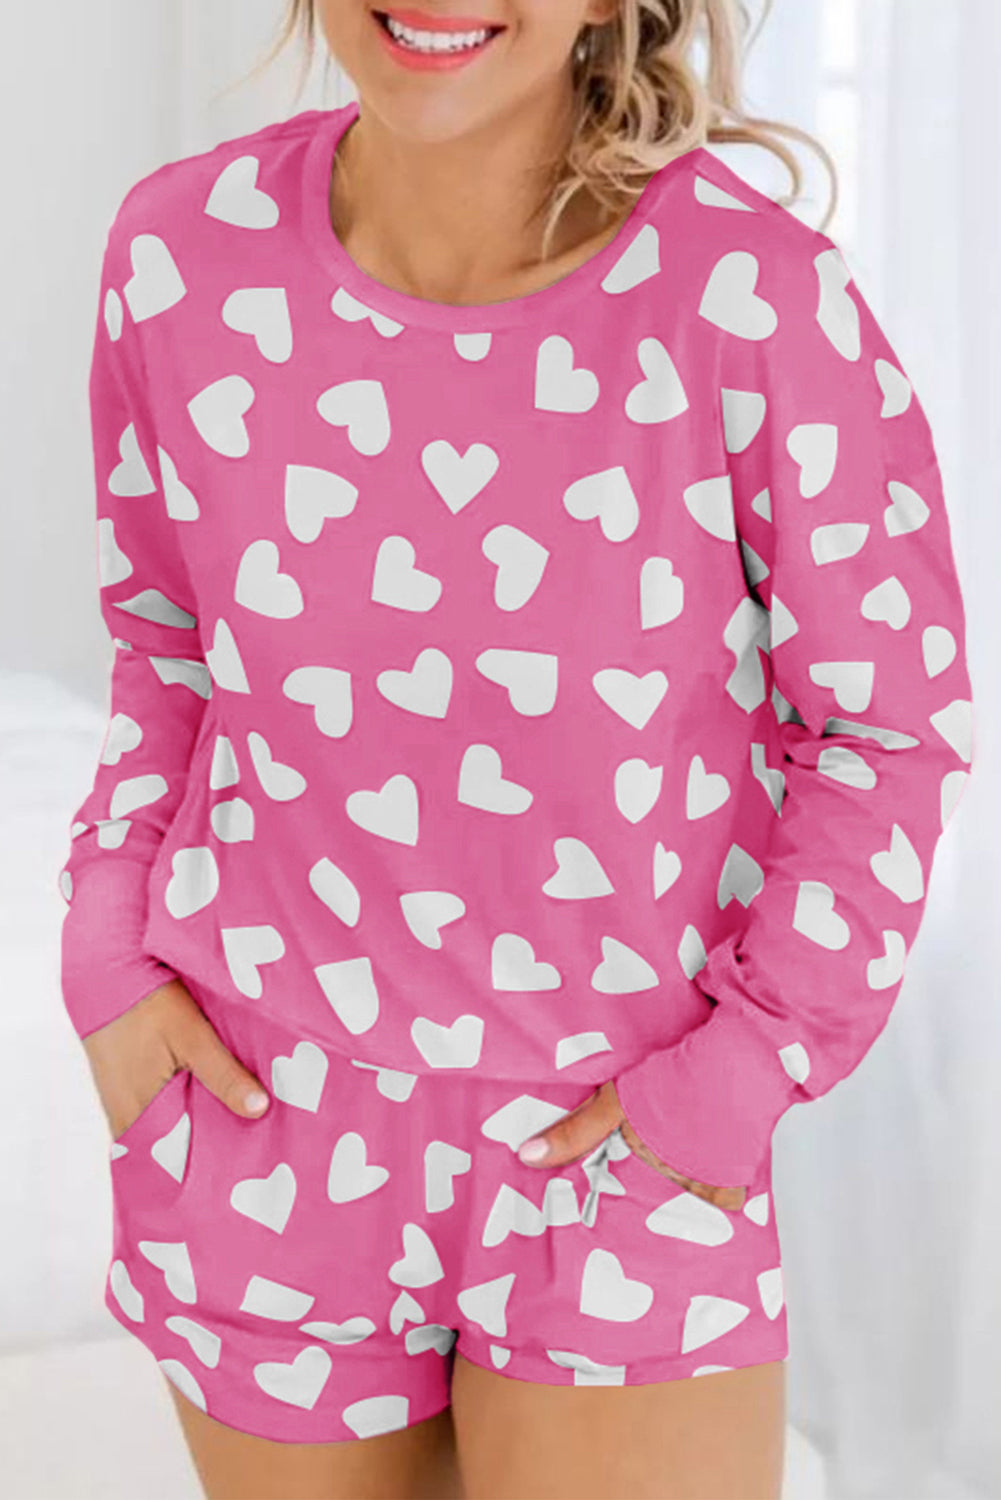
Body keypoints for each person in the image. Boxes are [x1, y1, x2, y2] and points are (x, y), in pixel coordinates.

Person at [57, 0, 975, 1496]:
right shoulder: (182, 253)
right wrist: (105, 948)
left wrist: (741, 1075)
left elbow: (883, 729)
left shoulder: (750, 297)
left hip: (617, 1149)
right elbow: (165, 646)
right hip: (259, 1117)